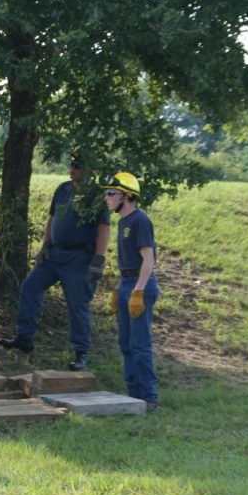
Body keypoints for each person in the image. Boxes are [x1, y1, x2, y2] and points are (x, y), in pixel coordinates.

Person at [0, 151, 110, 371]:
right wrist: (46, 246)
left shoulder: (97, 195)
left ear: (89, 170)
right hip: (55, 255)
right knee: (30, 286)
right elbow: (51, 219)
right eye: (71, 165)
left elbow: (104, 228)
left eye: (78, 166)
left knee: (77, 305)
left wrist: (98, 259)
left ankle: (81, 352)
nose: (73, 168)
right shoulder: (63, 189)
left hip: (80, 258)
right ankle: (24, 339)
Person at [102, 172, 160, 412]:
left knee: (139, 345)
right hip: (127, 283)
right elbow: (126, 262)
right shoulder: (123, 222)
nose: (107, 198)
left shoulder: (139, 221)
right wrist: (118, 290)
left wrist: (138, 291)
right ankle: (133, 395)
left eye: (111, 193)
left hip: (140, 285)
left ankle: (148, 398)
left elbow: (149, 260)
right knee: (125, 344)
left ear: (125, 196)